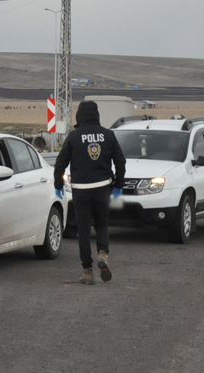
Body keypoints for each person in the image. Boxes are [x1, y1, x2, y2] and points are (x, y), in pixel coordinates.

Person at [53, 101, 127, 285]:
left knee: (84, 230)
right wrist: (119, 185)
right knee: (102, 224)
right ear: (97, 115)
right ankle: (103, 253)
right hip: (103, 187)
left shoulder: (74, 136)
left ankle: (87, 271)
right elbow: (120, 162)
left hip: (80, 190)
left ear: (79, 115)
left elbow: (60, 163)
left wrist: (58, 185)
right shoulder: (108, 135)